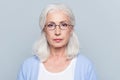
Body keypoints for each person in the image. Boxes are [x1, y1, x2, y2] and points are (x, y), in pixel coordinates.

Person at [17, 3, 97, 80]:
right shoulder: (28, 66)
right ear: (44, 30)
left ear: (71, 29)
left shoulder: (85, 66)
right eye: (51, 25)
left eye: (64, 25)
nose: (57, 32)